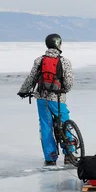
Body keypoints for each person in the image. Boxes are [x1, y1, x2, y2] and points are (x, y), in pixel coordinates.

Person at [17, 33, 75, 166]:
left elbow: (31, 79)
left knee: (46, 126)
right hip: (58, 99)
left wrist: (23, 91)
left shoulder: (39, 60)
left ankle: (50, 157)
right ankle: (69, 154)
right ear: (58, 44)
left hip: (42, 99)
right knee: (66, 123)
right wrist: (63, 90)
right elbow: (69, 83)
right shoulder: (65, 61)